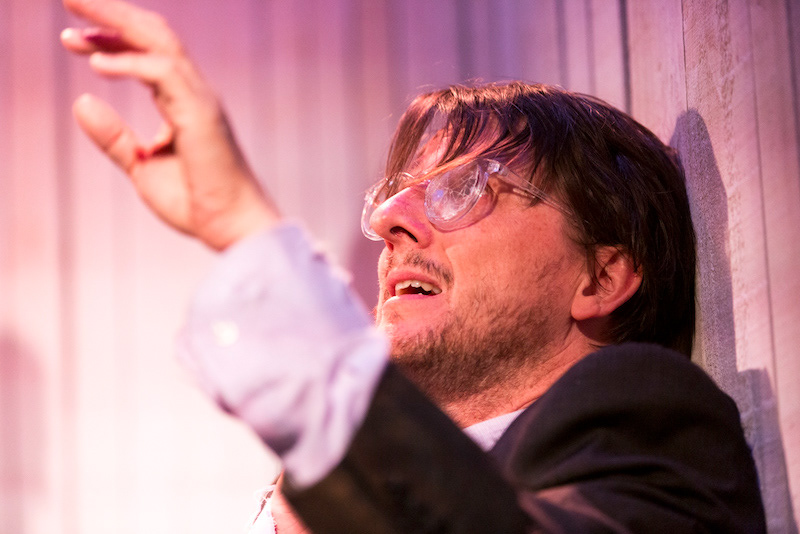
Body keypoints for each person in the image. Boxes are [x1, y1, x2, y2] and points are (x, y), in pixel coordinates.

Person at [60, 0, 767, 532]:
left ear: (601, 278)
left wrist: (243, 227)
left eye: (463, 189)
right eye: (395, 192)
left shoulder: (648, 420)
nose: (388, 220)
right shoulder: (328, 476)